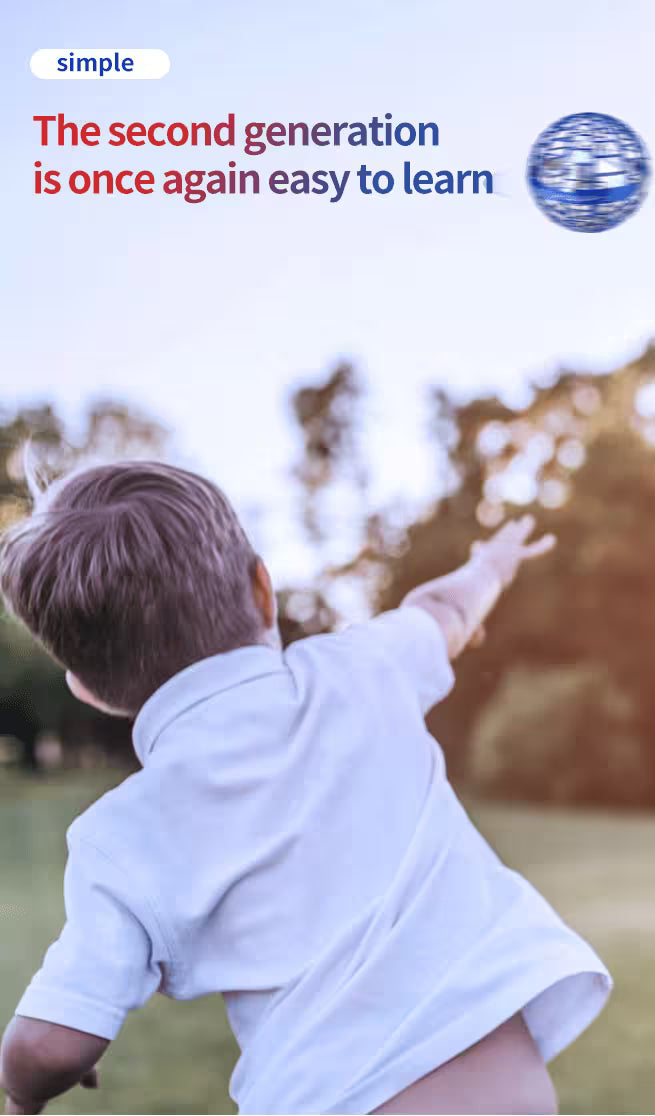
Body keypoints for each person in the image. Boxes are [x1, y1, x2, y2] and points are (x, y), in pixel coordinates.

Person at [0, 461, 611, 1115]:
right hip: (504, 1090)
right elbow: (444, 611)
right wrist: (491, 566)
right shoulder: (360, 670)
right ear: (264, 590)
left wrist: (25, 1088)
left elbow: (50, 1045)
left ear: (85, 688)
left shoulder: (121, 835)